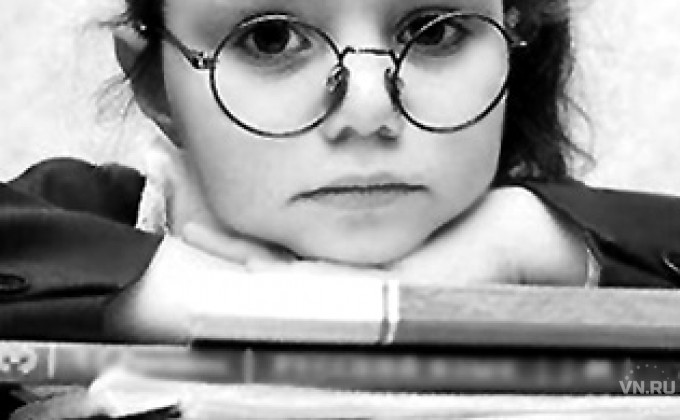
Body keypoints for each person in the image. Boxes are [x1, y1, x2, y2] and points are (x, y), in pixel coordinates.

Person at [2, 0, 680, 345]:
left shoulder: (559, 243)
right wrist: (244, 306)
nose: (367, 108)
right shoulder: (88, 215)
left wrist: (523, 240)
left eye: (435, 30)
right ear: (155, 85)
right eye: (269, 38)